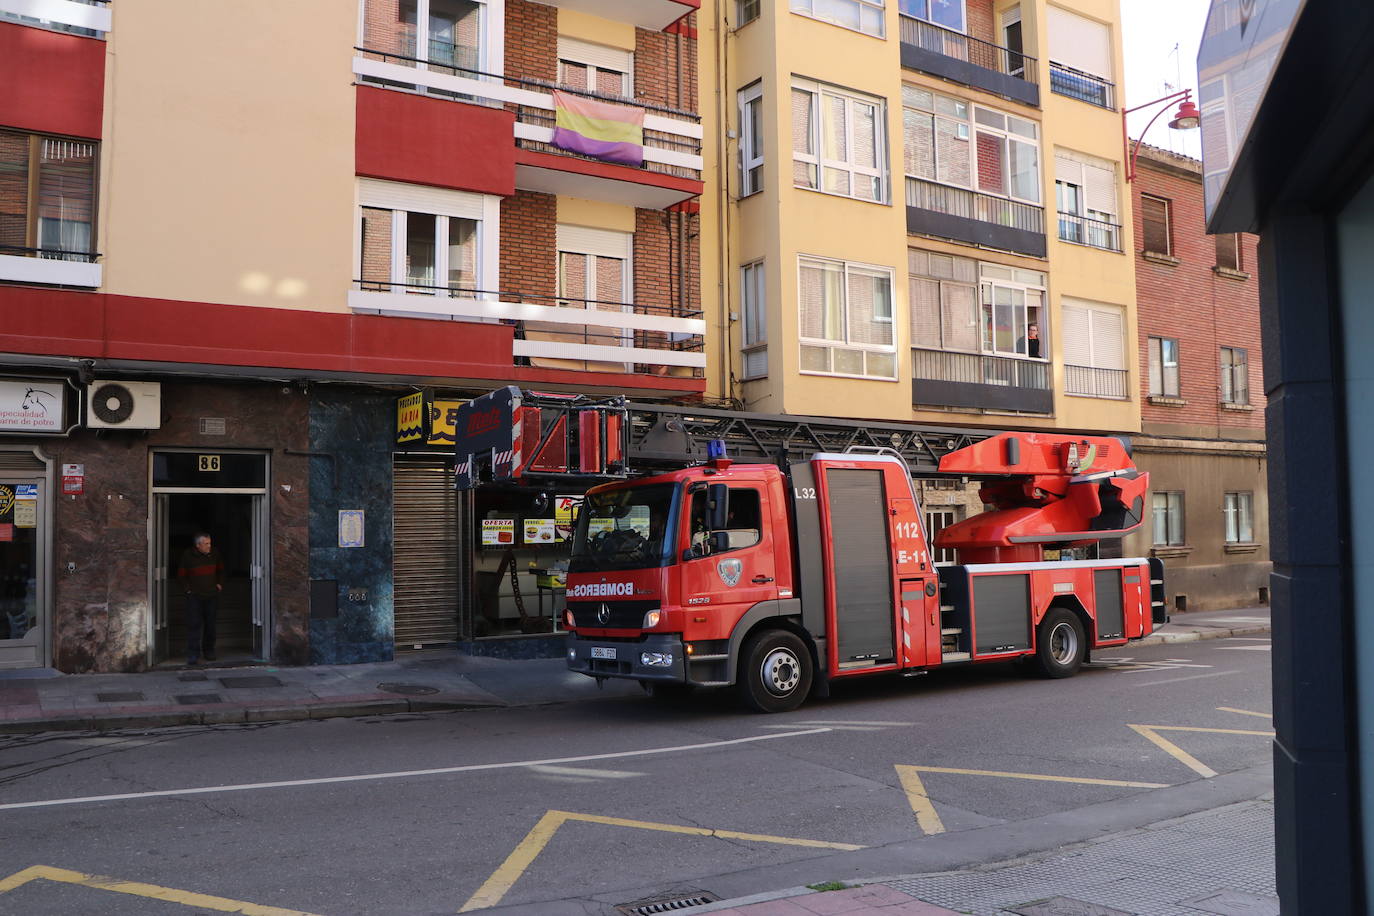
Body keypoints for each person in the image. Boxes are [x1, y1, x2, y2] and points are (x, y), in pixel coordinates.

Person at [178, 532, 224, 664]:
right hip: (195, 597)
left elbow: (221, 570)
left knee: (210, 625)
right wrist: (188, 589)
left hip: (211, 595)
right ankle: (193, 654)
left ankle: (209, 651)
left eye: (210, 543)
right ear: (198, 545)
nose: (209, 546)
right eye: (206, 544)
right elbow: (181, 575)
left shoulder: (215, 553)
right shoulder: (188, 555)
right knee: (194, 625)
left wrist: (220, 584)